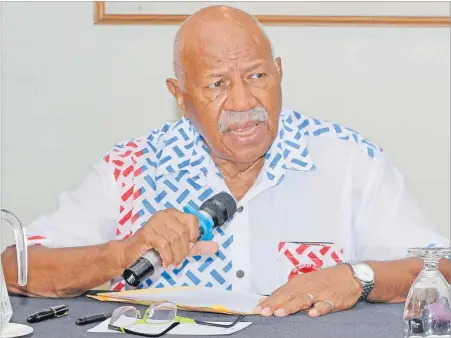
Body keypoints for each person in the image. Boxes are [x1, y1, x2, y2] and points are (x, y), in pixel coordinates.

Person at [2, 5, 449, 318]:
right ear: (179, 96)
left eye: (257, 76)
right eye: (217, 84)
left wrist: (360, 277)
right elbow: (15, 269)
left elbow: (442, 267)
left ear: (279, 72)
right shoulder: (132, 167)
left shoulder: (350, 160)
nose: (243, 101)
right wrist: (120, 254)